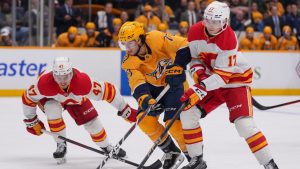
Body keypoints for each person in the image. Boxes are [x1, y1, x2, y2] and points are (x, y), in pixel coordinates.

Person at [171, 1, 279, 169]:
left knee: (244, 126)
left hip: (235, 80)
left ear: (225, 22)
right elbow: (195, 58)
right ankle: (197, 160)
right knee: (188, 113)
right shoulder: (194, 30)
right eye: (208, 20)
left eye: (216, 21)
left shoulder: (229, 39)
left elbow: (222, 77)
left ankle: (269, 164)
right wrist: (199, 74)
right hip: (211, 78)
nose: (211, 25)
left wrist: (199, 88)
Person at [22, 57, 137, 164]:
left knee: (93, 125)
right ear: (53, 75)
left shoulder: (83, 82)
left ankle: (106, 146)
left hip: (75, 99)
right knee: (52, 109)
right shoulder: (44, 84)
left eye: (66, 76)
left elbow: (108, 90)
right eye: (58, 77)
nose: (62, 81)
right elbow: (28, 97)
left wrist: (124, 108)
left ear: (71, 73)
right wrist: (32, 120)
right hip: (52, 98)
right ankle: (60, 143)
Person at [118, 21, 198, 169]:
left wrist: (178, 66)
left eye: (130, 43)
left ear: (139, 39)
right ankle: (172, 153)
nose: (127, 48)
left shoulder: (156, 38)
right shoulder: (128, 61)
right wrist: (145, 99)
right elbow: (136, 82)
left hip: (174, 84)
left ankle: (193, 158)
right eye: (124, 44)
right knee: (144, 121)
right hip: (153, 88)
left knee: (173, 123)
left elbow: (184, 44)